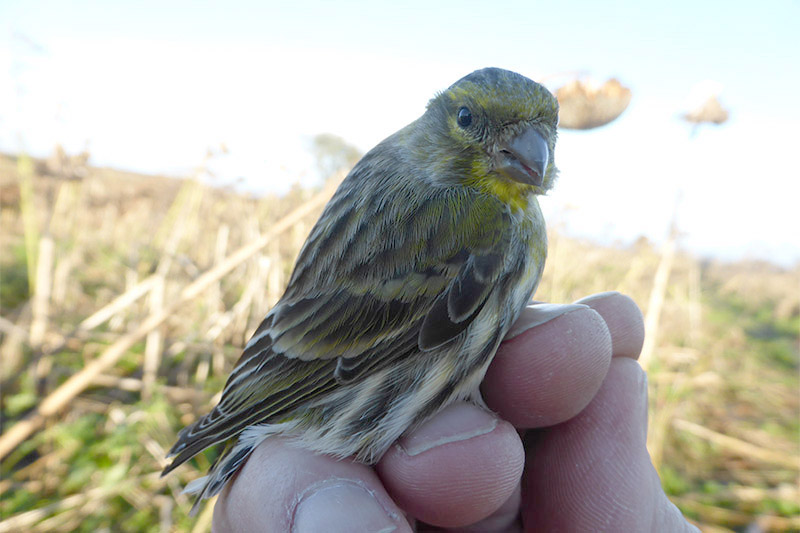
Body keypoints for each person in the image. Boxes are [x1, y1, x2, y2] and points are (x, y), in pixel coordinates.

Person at [210, 292, 699, 532]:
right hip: (323, 398)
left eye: (541, 136)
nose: (522, 151)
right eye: (470, 123)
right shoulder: (466, 226)